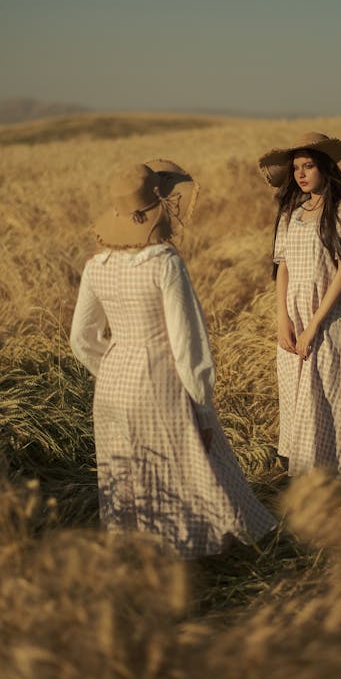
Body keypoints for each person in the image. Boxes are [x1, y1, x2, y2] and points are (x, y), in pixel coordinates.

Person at [70, 159, 276, 558]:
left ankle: (135, 556)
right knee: (181, 466)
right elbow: (188, 342)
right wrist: (202, 406)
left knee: (127, 471)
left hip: (112, 386)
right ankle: (189, 552)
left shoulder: (96, 266)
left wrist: (112, 365)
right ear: (157, 208)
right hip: (159, 382)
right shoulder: (164, 263)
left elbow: (81, 338)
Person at [258, 132, 341, 480]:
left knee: (334, 385)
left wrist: (314, 324)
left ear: (325, 168)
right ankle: (308, 467)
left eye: (308, 165)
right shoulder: (290, 213)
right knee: (299, 387)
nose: (301, 173)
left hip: (329, 310)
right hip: (294, 310)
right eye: (296, 167)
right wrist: (283, 318)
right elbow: (282, 267)